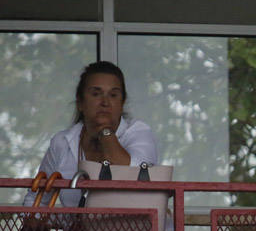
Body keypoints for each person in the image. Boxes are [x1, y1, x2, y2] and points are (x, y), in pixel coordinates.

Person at [23, 61, 158, 209]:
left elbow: (131, 174)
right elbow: (36, 198)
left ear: (122, 103)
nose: (105, 102)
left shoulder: (138, 132)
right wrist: (36, 221)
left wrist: (105, 131)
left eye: (113, 95)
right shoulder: (63, 142)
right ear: (80, 102)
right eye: (96, 94)